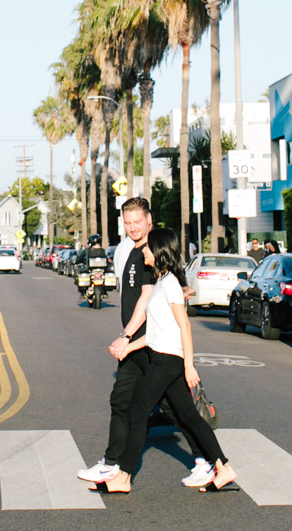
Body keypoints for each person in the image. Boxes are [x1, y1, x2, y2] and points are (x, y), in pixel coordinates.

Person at [97, 228, 237, 495]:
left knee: (138, 413)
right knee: (190, 418)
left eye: (149, 248)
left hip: (168, 360)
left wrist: (189, 365)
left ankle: (124, 477)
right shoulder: (162, 282)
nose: (144, 252)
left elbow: (184, 326)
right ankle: (224, 466)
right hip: (163, 355)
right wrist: (128, 347)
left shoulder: (170, 282)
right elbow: (154, 332)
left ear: (160, 251)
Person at [77, 201, 158, 486]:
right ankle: (112, 464)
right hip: (135, 342)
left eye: (138, 221)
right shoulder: (133, 250)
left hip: (151, 342)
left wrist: (127, 336)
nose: (133, 227)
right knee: (121, 400)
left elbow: (148, 298)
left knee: (177, 407)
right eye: (128, 222)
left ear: (149, 219)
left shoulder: (153, 252)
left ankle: (211, 461)